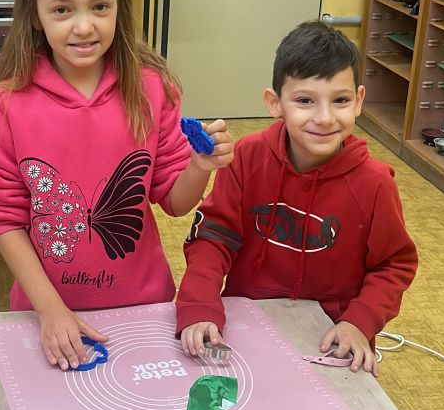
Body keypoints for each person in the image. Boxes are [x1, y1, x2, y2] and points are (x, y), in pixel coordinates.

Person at [0, 0, 233, 370]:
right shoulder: (8, 104)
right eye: (62, 10)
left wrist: (199, 165)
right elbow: (6, 219)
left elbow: (175, 202)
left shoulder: (152, 87)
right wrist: (50, 310)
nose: (84, 26)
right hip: (46, 312)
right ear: (35, 15)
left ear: (120, 8)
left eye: (100, 7)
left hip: (145, 305)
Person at [175, 21, 417, 375]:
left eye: (340, 100)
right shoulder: (246, 157)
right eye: (305, 101)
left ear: (359, 101)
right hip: (246, 322)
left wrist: (359, 321)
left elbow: (394, 264)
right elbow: (213, 237)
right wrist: (199, 304)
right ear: (275, 103)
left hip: (331, 336)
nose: (325, 118)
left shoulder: (376, 182)